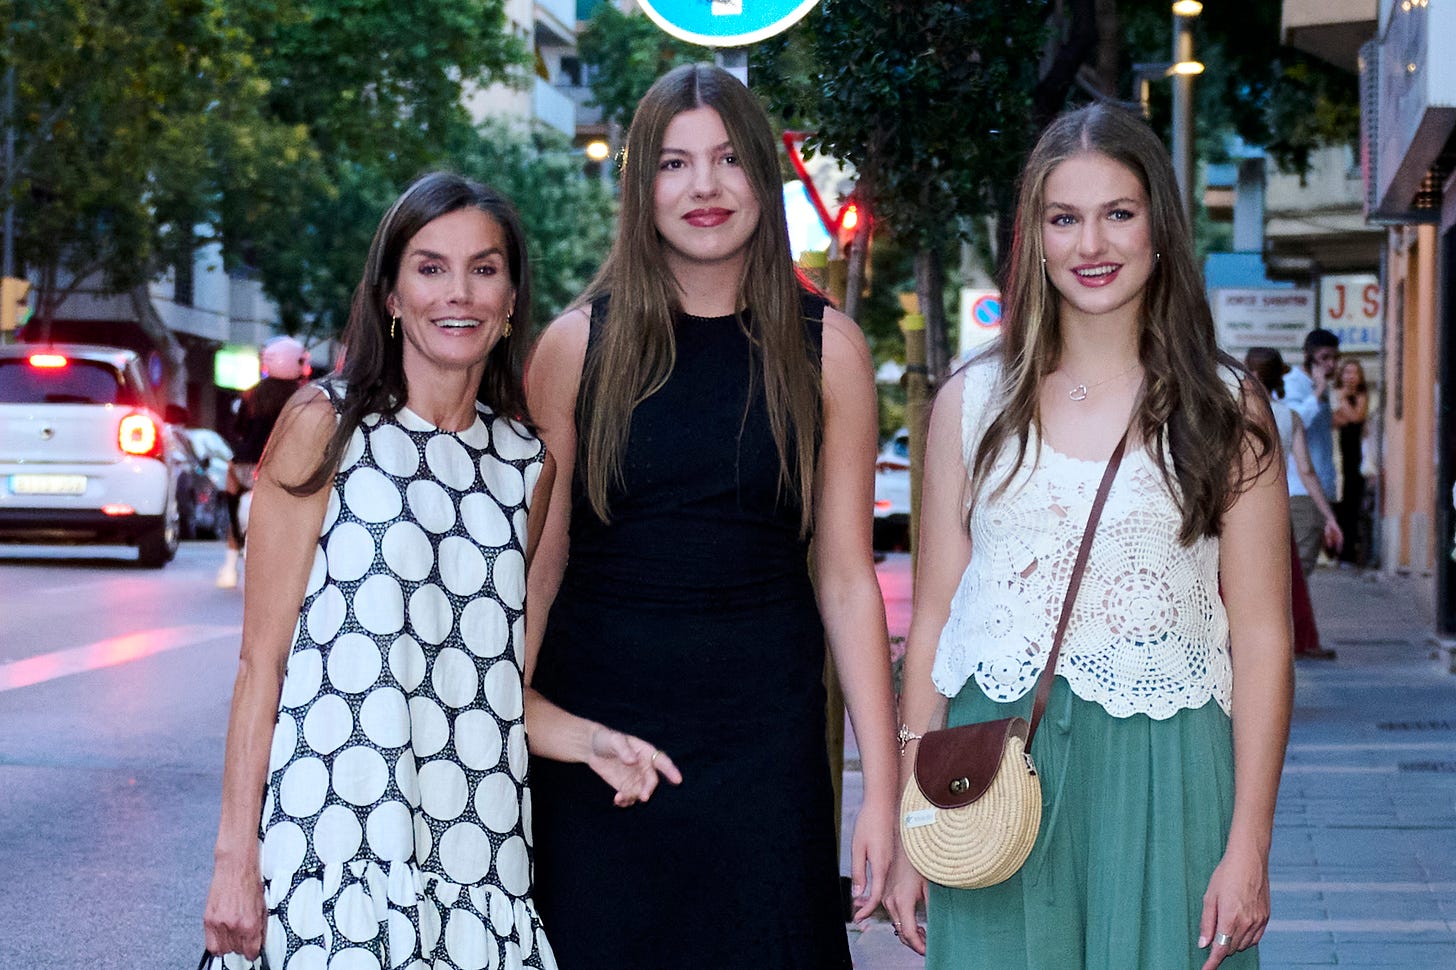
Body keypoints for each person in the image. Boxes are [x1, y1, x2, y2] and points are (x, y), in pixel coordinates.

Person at [885, 103, 1293, 970]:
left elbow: (1262, 638)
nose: (1091, 243)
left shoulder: (1225, 409)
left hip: (1166, 762)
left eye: (1118, 212)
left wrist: (1249, 844)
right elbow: (933, 624)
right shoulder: (971, 406)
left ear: (1158, 229)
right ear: (1034, 235)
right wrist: (906, 813)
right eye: (1064, 218)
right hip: (990, 758)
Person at [522, 63, 898, 968]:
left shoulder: (829, 350)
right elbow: (536, 566)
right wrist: (504, 723)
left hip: (764, 750)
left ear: (764, 179)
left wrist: (884, 792)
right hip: (600, 751)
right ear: (640, 185)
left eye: (729, 159)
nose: (703, 187)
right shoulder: (575, 347)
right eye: (674, 163)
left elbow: (848, 581)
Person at [203, 172, 570, 969]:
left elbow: (498, 686)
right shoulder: (324, 427)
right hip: (334, 843)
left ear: (511, 299)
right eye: (430, 267)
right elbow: (260, 667)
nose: (458, 293)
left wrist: (602, 742)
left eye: (484, 268)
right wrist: (235, 861)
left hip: (477, 851)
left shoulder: (526, 465)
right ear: (392, 296)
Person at [1246, 347, 1342, 660]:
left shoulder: (1234, 412)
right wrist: (1330, 516)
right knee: (1287, 580)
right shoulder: (1290, 416)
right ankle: (1288, 639)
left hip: (1241, 509)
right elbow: (1306, 470)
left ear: (1253, 375)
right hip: (1276, 508)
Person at [216, 336, 309, 588]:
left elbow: (239, 429)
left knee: (232, 497)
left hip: (244, 465)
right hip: (280, 467)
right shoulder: (304, 397)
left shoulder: (251, 395)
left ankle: (229, 566)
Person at [1283, 328, 1340, 577]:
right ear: (1308, 355)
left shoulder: (1322, 388)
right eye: (1325, 357)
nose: (1331, 364)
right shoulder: (1294, 385)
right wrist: (1316, 393)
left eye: (1334, 358)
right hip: (1300, 490)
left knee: (1304, 567)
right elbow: (1294, 425)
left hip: (1319, 488)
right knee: (1300, 567)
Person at [1332, 357, 1369, 566]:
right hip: (1339, 458)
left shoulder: (1360, 395)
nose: (1350, 376)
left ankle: (1348, 553)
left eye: (1354, 372)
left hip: (1355, 461)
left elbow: (1355, 418)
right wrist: (1342, 409)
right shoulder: (1335, 393)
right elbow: (1334, 421)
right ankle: (1335, 552)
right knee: (1338, 506)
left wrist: (1343, 401)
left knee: (1352, 506)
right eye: (1347, 372)